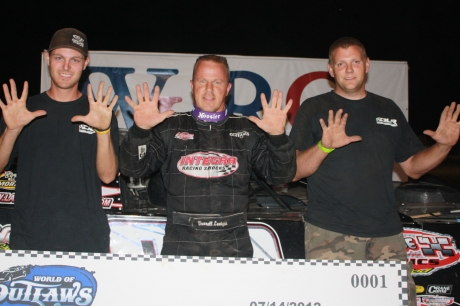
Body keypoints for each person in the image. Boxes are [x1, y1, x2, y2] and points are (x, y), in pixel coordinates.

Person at [290, 37, 460, 305]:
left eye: (355, 61)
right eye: (341, 63)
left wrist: (443, 146)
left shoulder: (388, 109)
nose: (349, 69)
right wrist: (324, 146)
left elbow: (413, 167)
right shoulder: (314, 108)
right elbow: (295, 171)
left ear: (367, 65)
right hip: (331, 232)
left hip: (387, 234)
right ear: (331, 70)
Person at [119, 54, 296, 257]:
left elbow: (281, 176)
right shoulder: (169, 127)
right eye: (203, 81)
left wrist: (278, 138)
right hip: (181, 247)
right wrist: (140, 131)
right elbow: (131, 168)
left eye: (217, 82)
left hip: (234, 247)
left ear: (228, 88)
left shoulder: (248, 129)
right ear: (192, 85)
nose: (209, 89)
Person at [0, 28, 119, 252]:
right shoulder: (24, 110)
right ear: (48, 58)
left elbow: (108, 175)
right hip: (30, 237)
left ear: (85, 63)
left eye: (74, 60)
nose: (66, 67)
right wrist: (12, 129)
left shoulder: (98, 112)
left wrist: (103, 130)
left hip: (87, 238)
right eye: (59, 58)